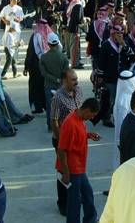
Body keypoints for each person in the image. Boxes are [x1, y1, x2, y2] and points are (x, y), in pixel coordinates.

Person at [57, 98, 101, 223]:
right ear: (86, 110)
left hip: (79, 168)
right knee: (74, 201)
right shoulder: (70, 124)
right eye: (92, 115)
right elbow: (61, 150)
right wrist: (66, 173)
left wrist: (89, 135)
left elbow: (77, 136)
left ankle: (90, 219)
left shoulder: (80, 119)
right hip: (72, 169)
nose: (92, 118)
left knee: (87, 194)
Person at [51, 68, 83, 216]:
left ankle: (74, 197)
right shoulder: (57, 98)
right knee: (63, 170)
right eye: (73, 80)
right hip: (62, 141)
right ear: (64, 81)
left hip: (76, 139)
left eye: (76, 79)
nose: (76, 82)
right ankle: (63, 203)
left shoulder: (79, 91)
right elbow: (54, 121)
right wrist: (60, 142)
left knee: (75, 169)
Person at [40, 33, 70, 131]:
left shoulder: (43, 57)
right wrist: (60, 80)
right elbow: (66, 72)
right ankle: (63, 124)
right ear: (57, 43)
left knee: (50, 106)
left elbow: (43, 73)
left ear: (48, 44)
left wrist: (54, 79)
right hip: (62, 85)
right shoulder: (63, 57)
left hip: (49, 85)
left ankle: (51, 125)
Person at [113, 70, 135, 166]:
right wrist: (120, 142)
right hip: (128, 139)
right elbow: (121, 124)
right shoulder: (123, 100)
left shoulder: (129, 97)